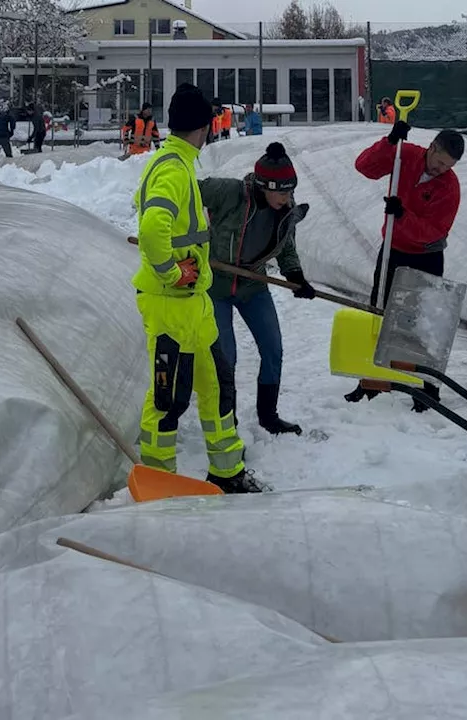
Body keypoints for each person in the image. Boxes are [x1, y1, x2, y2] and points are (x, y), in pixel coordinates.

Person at [132, 83, 262, 494]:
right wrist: (172, 272)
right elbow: (153, 228)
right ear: (205, 127)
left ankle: (227, 471)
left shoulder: (178, 162)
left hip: (194, 306)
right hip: (171, 305)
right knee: (168, 398)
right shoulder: (172, 168)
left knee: (217, 385)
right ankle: (160, 481)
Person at [344, 120, 464, 411]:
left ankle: (426, 388)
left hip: (426, 255)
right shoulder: (405, 154)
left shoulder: (450, 187)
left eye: (448, 166)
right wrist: (389, 141)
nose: (441, 170)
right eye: (439, 162)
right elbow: (365, 167)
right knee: (380, 314)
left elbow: (434, 231)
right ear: (431, 148)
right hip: (393, 251)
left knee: (422, 323)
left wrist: (402, 216)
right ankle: (373, 382)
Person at [201, 142, 315, 436]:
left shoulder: (284, 210)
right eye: (282, 192)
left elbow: (286, 247)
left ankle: (269, 416)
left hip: (253, 283)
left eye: (291, 192)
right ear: (264, 186)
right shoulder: (230, 193)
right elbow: (185, 190)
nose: (288, 198)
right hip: (217, 284)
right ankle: (227, 423)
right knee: (227, 357)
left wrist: (296, 276)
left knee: (273, 349)